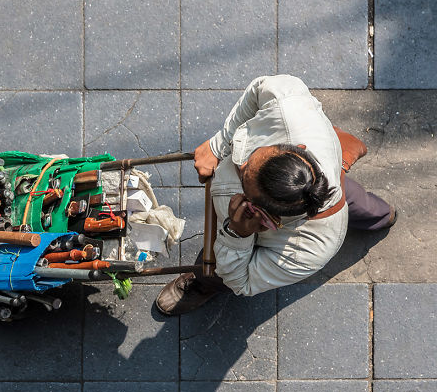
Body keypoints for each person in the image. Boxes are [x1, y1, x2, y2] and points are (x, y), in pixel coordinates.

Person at [155, 74, 395, 315]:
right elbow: (261, 88)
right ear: (297, 150)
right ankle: (381, 215)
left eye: (244, 174)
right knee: (346, 194)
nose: (241, 161)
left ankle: (204, 284)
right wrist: (219, 144)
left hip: (298, 220)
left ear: (267, 218)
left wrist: (237, 235)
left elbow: (242, 282)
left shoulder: (307, 251)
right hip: (319, 182)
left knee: (217, 270)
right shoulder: (289, 109)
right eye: (254, 156)